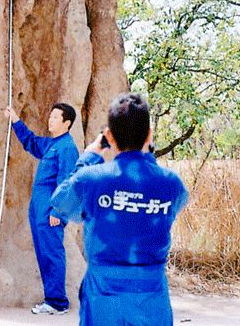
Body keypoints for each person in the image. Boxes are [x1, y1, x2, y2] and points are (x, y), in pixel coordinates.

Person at [51, 93, 189, 326]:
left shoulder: (92, 179)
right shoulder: (171, 183)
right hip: (151, 293)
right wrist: (148, 160)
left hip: (103, 293)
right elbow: (176, 206)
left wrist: (90, 156)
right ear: (149, 135)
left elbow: (62, 202)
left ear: (109, 137)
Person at [4, 103, 79, 315]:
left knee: (52, 254)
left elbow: (68, 183)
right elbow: (31, 142)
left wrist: (59, 212)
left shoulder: (67, 147)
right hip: (39, 210)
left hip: (50, 213)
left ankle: (57, 302)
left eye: (56, 117)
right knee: (44, 254)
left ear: (67, 123)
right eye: (51, 115)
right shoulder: (52, 144)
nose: (50, 119)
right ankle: (51, 299)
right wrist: (16, 120)